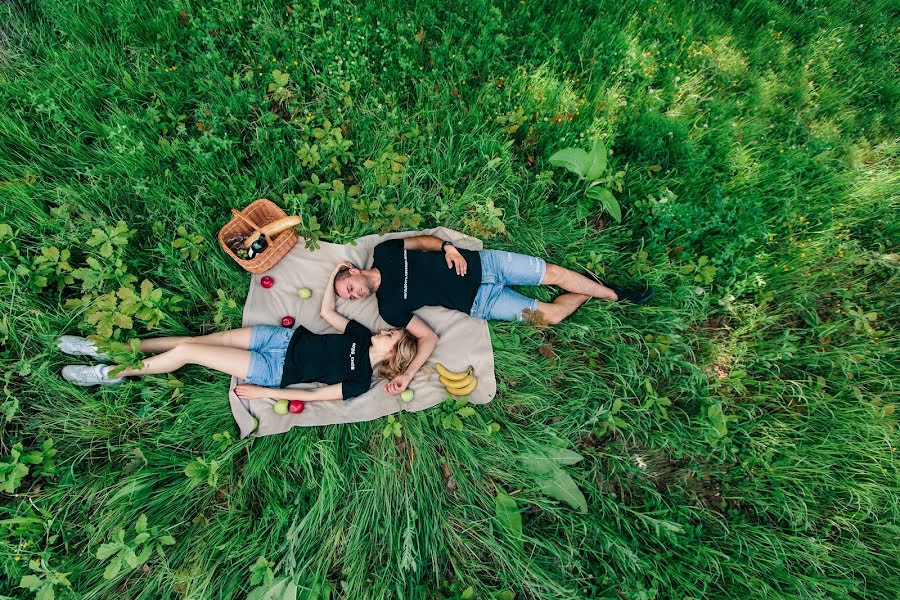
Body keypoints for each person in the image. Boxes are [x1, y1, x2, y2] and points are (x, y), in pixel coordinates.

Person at [333, 235, 652, 394]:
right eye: (349, 297)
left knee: (553, 272)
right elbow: (427, 337)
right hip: (482, 302)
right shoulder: (388, 308)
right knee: (550, 317)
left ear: (351, 269)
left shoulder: (384, 252)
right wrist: (407, 374)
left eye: (348, 287)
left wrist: (448, 247)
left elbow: (422, 242)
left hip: (486, 264)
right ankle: (589, 288)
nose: (354, 295)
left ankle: (615, 293)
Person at [58, 263, 419, 402]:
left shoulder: (359, 381)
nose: (385, 330)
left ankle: (111, 373)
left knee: (188, 352)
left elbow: (314, 396)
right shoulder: (359, 332)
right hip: (278, 338)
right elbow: (326, 312)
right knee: (192, 342)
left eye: (390, 335)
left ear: (392, 353)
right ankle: (112, 347)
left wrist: (263, 393)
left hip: (274, 371)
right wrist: (336, 274)